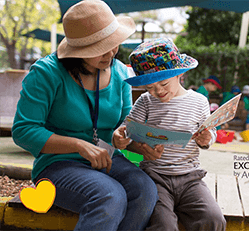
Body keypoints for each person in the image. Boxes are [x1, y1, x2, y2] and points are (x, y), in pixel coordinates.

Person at [11, 1, 159, 230]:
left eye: (114, 44)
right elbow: (23, 130)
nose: (111, 53)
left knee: (146, 191)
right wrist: (79, 145)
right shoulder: (45, 73)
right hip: (58, 164)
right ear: (79, 50)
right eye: (102, 48)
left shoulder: (120, 73)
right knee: (110, 196)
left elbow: (126, 122)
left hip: (108, 158)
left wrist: (139, 143)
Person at [113, 37, 226, 231]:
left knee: (213, 219)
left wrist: (207, 139)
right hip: (155, 177)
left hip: (191, 178)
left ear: (179, 75)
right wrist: (120, 137)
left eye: (163, 84)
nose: (157, 91)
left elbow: (210, 133)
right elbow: (127, 128)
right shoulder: (146, 102)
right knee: (163, 225)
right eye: (149, 87)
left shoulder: (199, 101)